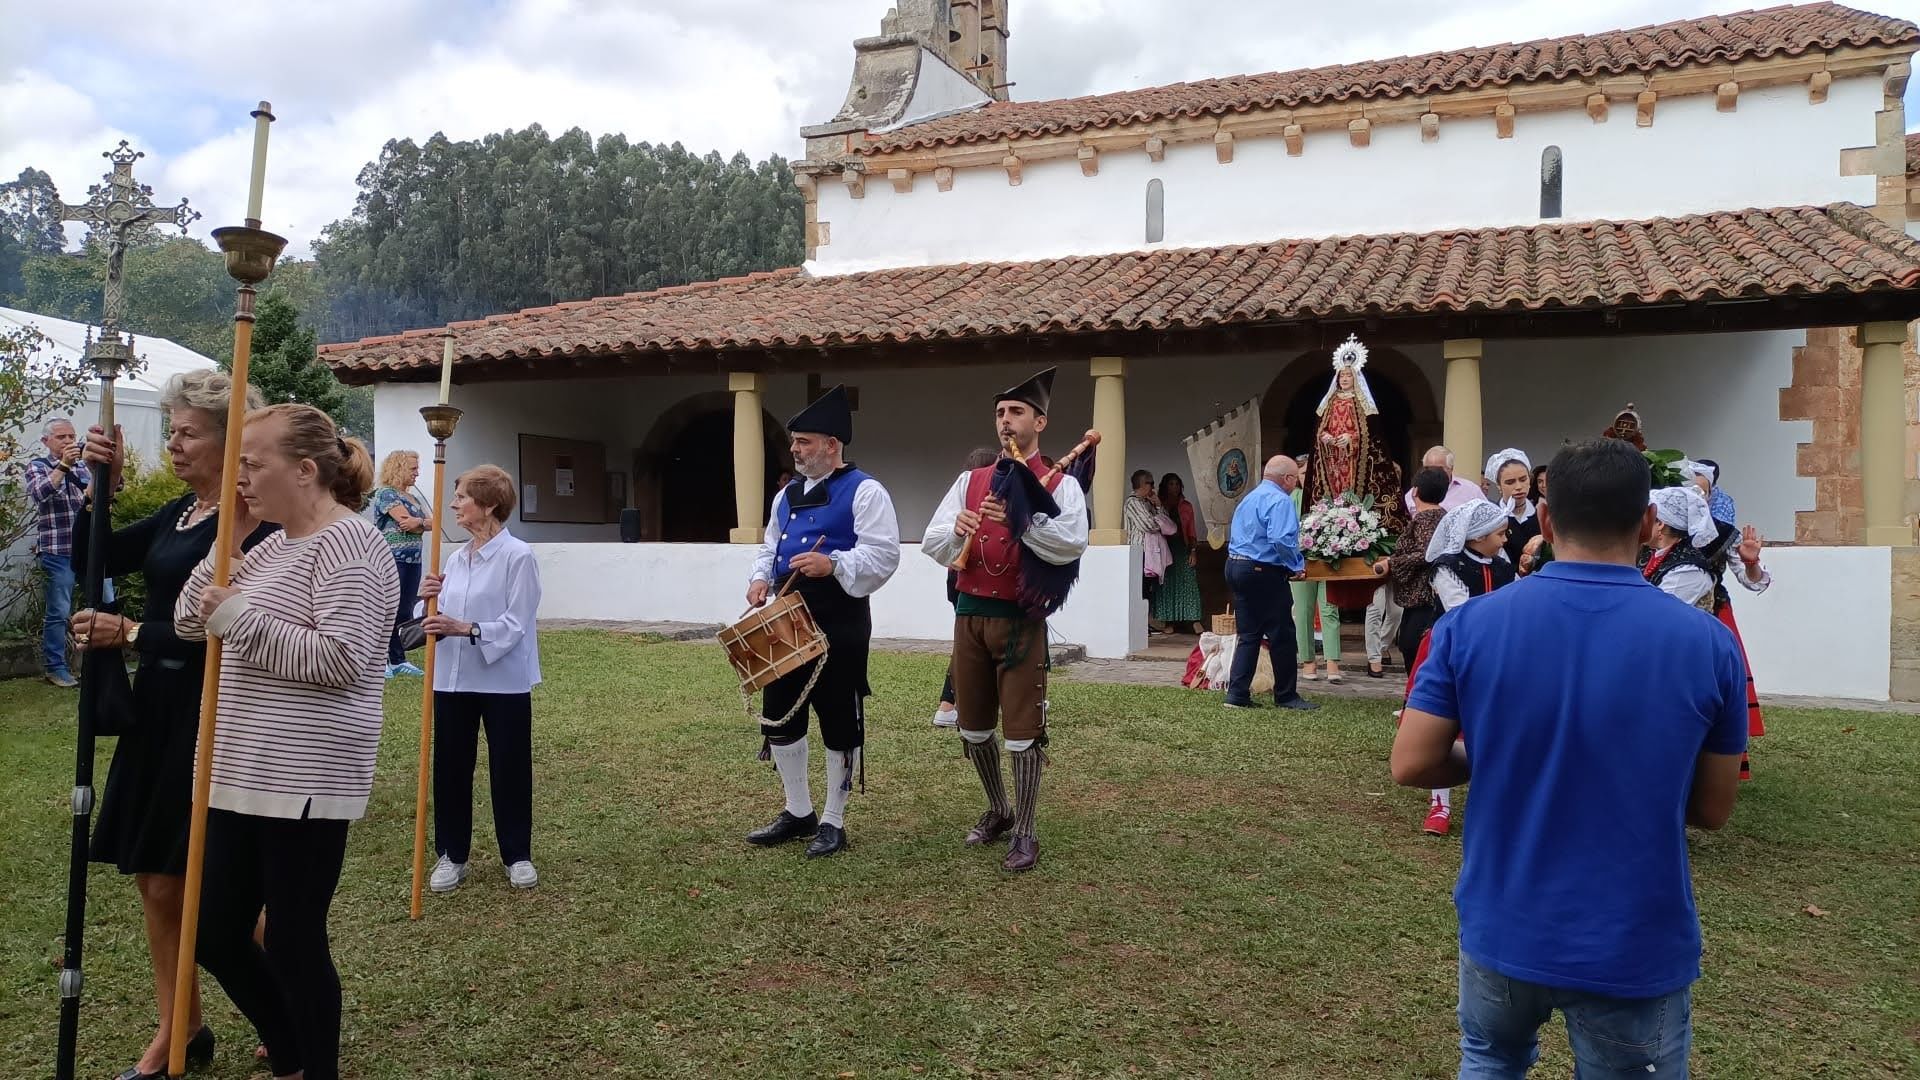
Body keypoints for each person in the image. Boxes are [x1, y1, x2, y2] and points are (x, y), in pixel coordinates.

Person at [1391, 437, 1746, 1078]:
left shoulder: (1468, 628)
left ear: (1546, 522)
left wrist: (1492, 756)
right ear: (1646, 522)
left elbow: (1412, 763)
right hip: (1632, 939)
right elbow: (1713, 809)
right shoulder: (1708, 643)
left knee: (1490, 1060)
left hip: (1503, 924)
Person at [174, 403, 399, 1080]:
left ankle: (313, 1068)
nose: (238, 476)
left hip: (304, 778)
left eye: (252, 463)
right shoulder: (270, 545)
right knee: (214, 932)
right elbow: (191, 621)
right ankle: (292, 1052)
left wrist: (237, 616)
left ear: (304, 471)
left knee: (297, 940)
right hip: (238, 769)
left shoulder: (352, 545)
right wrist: (228, 545)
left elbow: (344, 659)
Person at [67, 372, 271, 1080]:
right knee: (156, 880)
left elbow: (222, 628)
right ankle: (179, 1028)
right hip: (157, 714)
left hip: (214, 710)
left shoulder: (252, 525)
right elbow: (92, 557)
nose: (176, 445)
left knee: (225, 889)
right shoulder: (183, 513)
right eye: (173, 432)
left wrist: (129, 631)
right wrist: (104, 484)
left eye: (189, 433)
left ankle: (282, 1007)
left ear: (228, 438)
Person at [923, 367, 1089, 872]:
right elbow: (933, 543)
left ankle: (1027, 828)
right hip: (969, 617)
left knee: (1021, 732)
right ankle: (998, 807)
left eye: (1016, 412)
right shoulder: (970, 481)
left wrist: (1021, 522)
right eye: (1000, 412)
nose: (1005, 421)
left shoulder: (1060, 485)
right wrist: (956, 527)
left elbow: (1071, 543)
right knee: (972, 729)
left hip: (1020, 621)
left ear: (1040, 421)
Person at [744, 385, 901, 858]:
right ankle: (798, 811)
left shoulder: (866, 491)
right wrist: (758, 578)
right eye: (794, 442)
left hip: (839, 614)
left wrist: (833, 564)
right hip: (785, 616)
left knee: (837, 718)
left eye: (804, 441)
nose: (795, 449)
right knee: (781, 714)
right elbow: (770, 545)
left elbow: (884, 554)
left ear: (832, 444)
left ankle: (834, 819)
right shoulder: (787, 494)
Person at [419, 465, 544, 891]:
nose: (454, 505)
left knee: (509, 766)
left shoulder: (518, 556)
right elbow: (435, 623)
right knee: (451, 767)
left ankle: (517, 854)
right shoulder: (455, 558)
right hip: (452, 679)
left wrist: (467, 628)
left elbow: (516, 622)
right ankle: (452, 855)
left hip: (503, 680)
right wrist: (428, 604)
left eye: (462, 497)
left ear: (488, 504)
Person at [1642, 479, 1771, 780]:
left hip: (1681, 654)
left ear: (1660, 525)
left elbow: (1659, 616)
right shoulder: (1654, 555)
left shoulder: (1689, 568)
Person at [1404, 498, 1515, 836]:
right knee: (1445, 725)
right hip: (1454, 649)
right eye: (1500, 534)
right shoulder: (1447, 567)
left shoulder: (1502, 565)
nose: (1505, 540)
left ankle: (1495, 801)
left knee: (1495, 725)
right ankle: (1440, 803)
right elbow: (1459, 611)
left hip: (1497, 649)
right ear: (1477, 536)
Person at [1222, 455, 1316, 712]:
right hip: (1262, 569)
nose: (1297, 483)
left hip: (1235, 566)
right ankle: (1286, 695)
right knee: (1282, 633)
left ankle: (1237, 694)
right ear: (1287, 479)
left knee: (1248, 634)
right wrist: (1296, 565)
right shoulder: (1280, 500)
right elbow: (1280, 539)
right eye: (1296, 478)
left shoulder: (1250, 497)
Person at [1304, 336, 1405, 531]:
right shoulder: (1329, 402)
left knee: (1353, 488)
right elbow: (1321, 427)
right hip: (1331, 458)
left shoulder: (1363, 403)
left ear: (1355, 378)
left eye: (1348, 376)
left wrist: (1351, 438)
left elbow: (1371, 435)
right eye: (1341, 376)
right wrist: (1324, 436)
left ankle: (1355, 518)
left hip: (1353, 458)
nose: (1344, 379)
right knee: (1333, 487)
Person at [934, 448, 1003, 729]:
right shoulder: (974, 498)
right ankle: (948, 705)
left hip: (957, 578)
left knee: (971, 644)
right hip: (966, 578)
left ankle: (952, 705)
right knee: (971, 645)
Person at [28, 417, 89, 686]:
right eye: (61, 437)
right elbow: (40, 494)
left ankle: (98, 664)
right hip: (58, 550)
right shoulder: (37, 466)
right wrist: (64, 465)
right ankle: (55, 667)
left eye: (71, 436)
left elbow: (114, 487)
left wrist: (104, 466)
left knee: (103, 605)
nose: (68, 441)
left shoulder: (86, 465)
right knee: (59, 611)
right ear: (46, 441)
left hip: (89, 550)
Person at [371, 450, 432, 677]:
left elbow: (433, 523)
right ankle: (381, 659)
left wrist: (420, 522)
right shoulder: (386, 494)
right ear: (398, 468)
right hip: (391, 559)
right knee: (389, 608)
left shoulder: (413, 497)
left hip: (413, 560)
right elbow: (405, 522)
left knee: (404, 609)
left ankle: (398, 659)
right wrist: (419, 522)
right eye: (412, 469)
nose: (417, 473)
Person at [1384, 466, 1450, 676]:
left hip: (1423, 594)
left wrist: (1392, 563)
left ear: (1415, 491)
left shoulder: (1426, 518)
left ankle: (1416, 699)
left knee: (1413, 644)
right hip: (1426, 594)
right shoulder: (1442, 515)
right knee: (1409, 642)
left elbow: (1426, 553)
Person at [1289, 454, 1341, 683]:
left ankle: (1332, 663)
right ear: (1297, 477)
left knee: (1330, 609)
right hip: (1301, 562)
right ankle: (1308, 661)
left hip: (1328, 562)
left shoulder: (1330, 498)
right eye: (1303, 473)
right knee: (1303, 611)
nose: (1308, 478)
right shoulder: (1292, 499)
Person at [1152, 473, 1204, 634]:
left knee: (1189, 582)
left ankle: (1195, 620)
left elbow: (1192, 531)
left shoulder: (1186, 506)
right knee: (1166, 585)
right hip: (1164, 548)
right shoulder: (1159, 505)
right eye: (1170, 484)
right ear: (1165, 486)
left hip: (1182, 548)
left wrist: (1193, 551)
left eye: (1176, 484)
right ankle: (1169, 622)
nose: (1174, 487)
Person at [1124, 469, 1176, 622]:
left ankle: (1146, 623)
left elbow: (1169, 523)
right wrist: (1160, 522)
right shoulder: (1132, 502)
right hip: (1140, 551)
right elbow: (1149, 525)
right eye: (1151, 483)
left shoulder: (1149, 502)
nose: (1153, 487)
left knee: (1149, 589)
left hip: (1152, 553)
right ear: (1142, 484)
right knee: (1140, 588)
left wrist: (1159, 506)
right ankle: (1140, 623)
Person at [1485, 448, 1540, 569]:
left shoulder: (1542, 514)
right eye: (1510, 482)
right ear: (1499, 486)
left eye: (1523, 479)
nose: (1519, 487)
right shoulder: (1491, 519)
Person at [1402, 445, 1486, 515]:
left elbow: (1488, 519)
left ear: (1451, 468)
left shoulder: (1471, 490)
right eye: (1428, 468)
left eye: (1439, 469)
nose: (1433, 473)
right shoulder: (1412, 494)